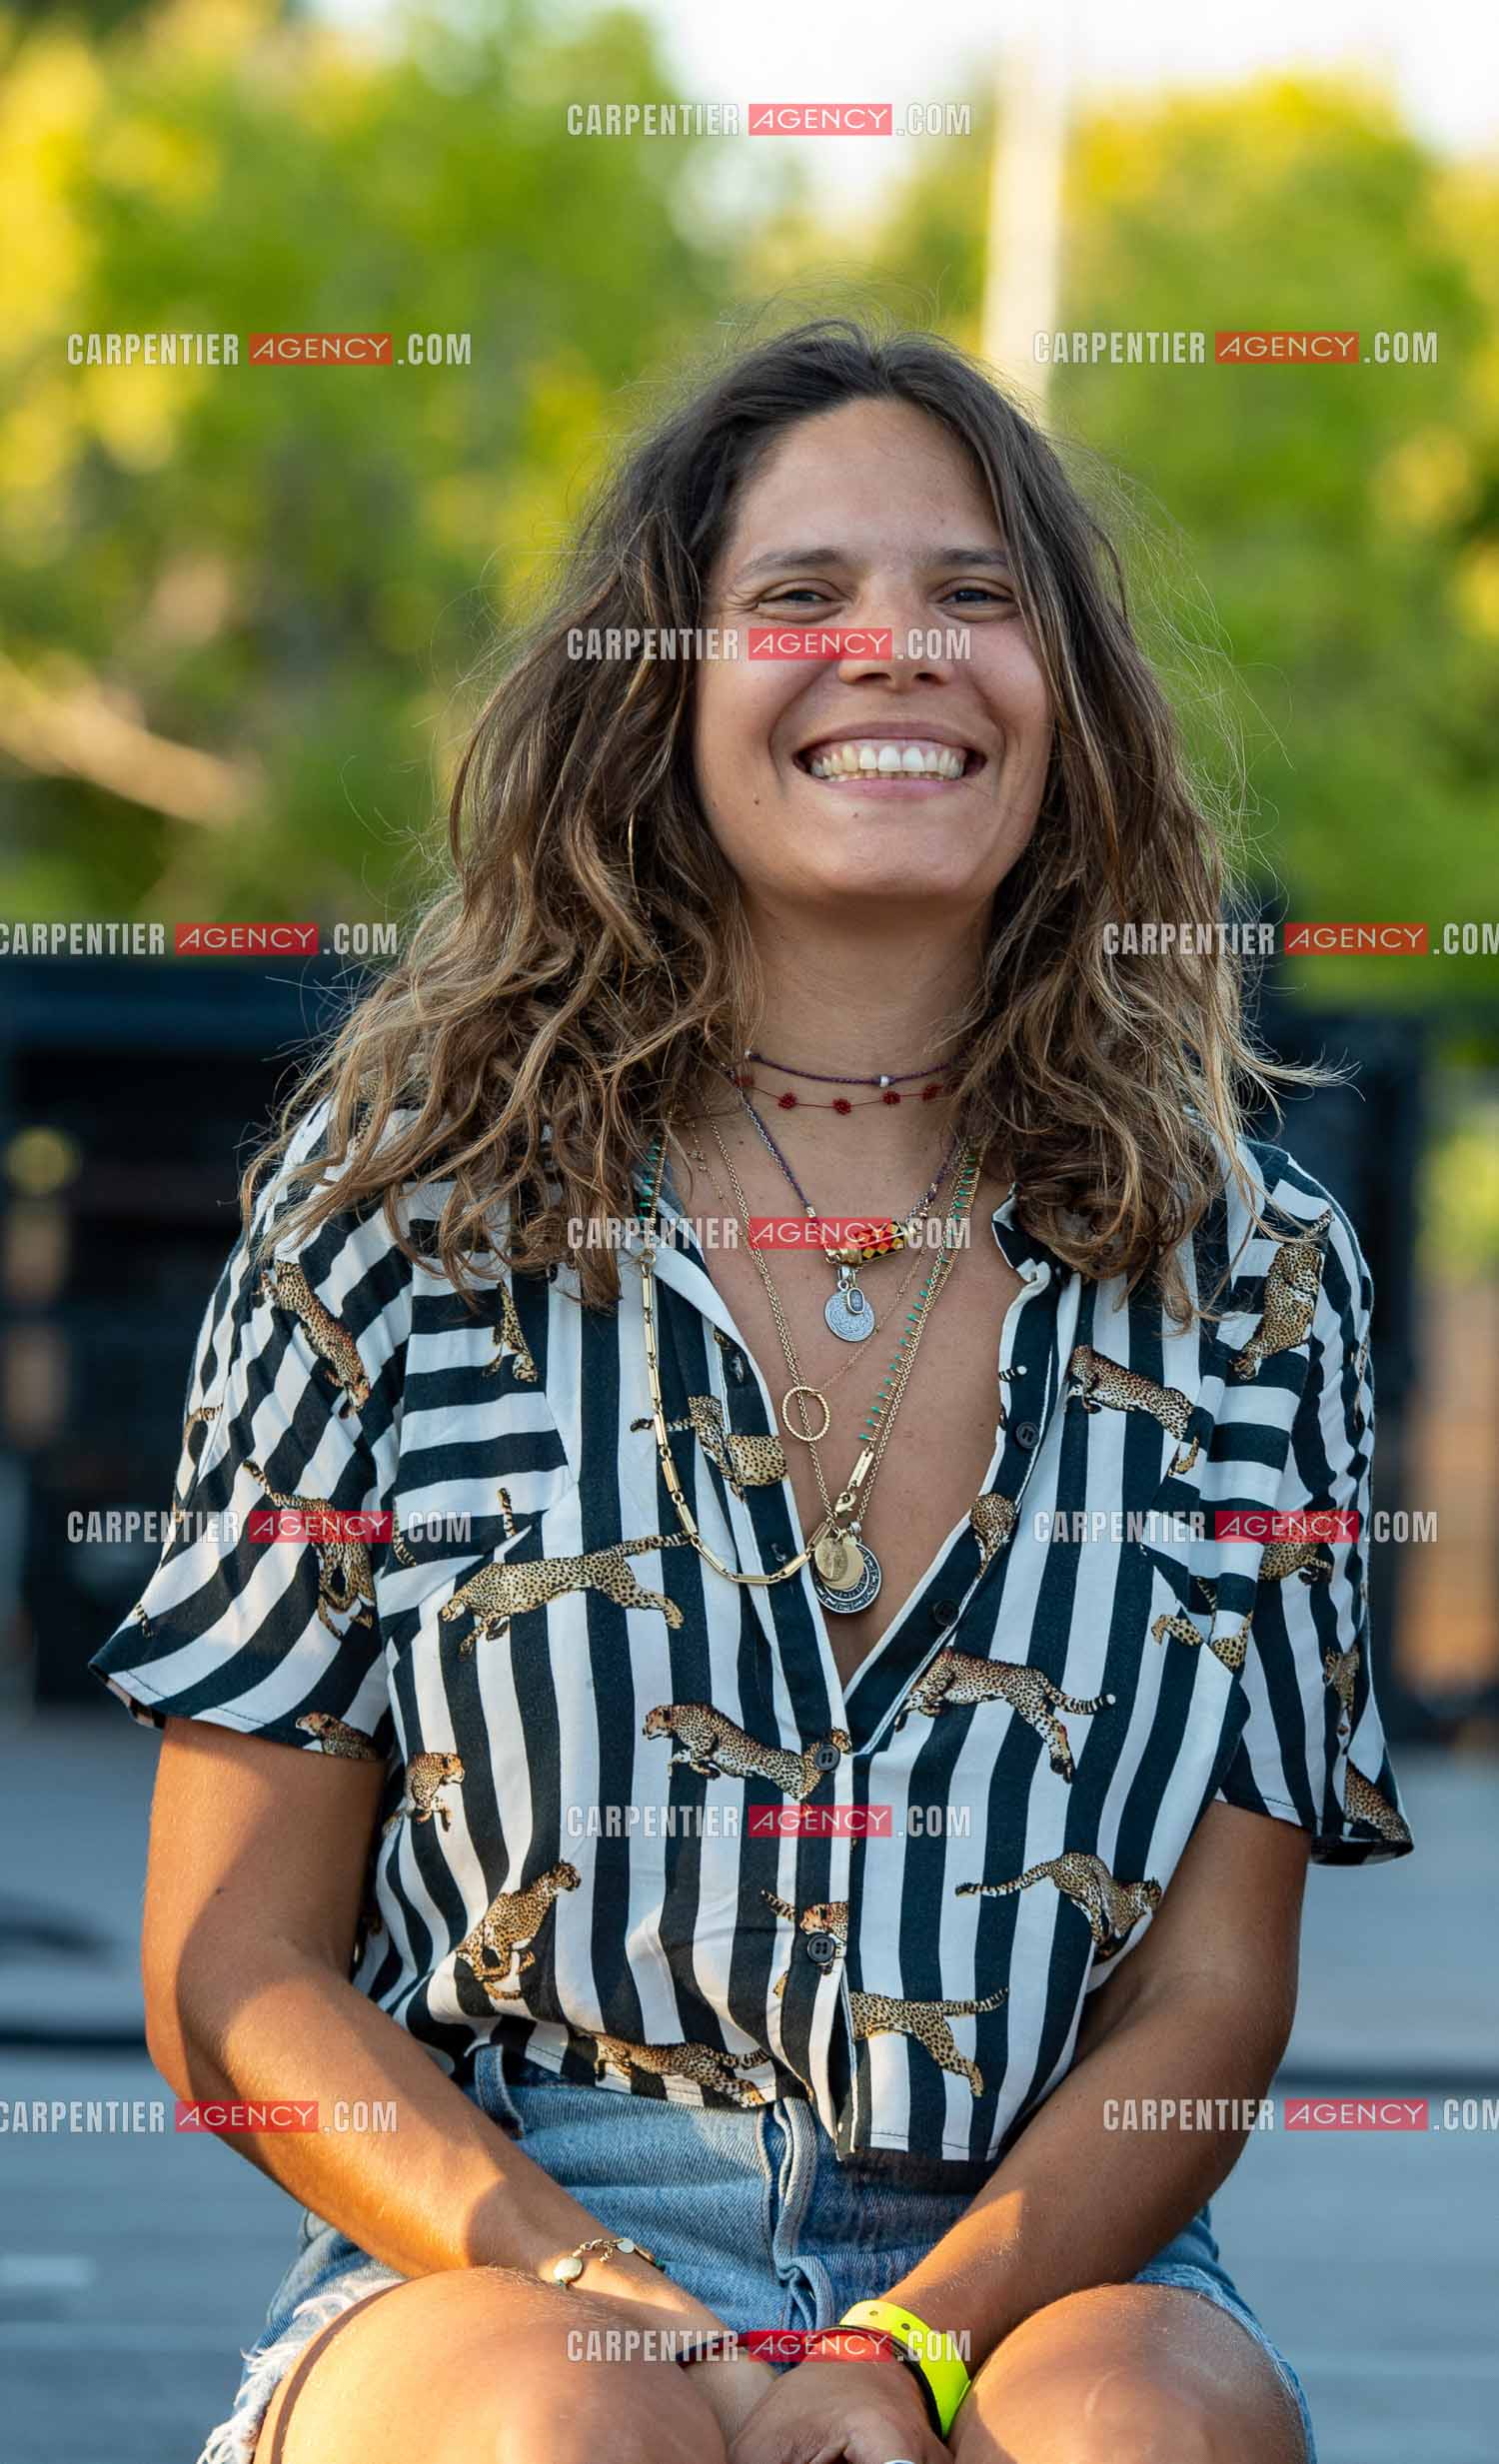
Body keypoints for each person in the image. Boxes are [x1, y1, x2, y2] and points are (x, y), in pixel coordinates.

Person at [91, 316, 1413, 2464]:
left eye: (977, 599)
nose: (897, 649)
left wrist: (919, 2341)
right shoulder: (396, 1219)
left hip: (1045, 2255)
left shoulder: (1257, 1281)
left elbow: (1207, 2002)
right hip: (501, 2233)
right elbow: (232, 1973)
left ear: (1064, 708)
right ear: (662, 695)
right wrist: (602, 2295)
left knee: (1142, 2439)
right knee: (568, 2434)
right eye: (801, 597)